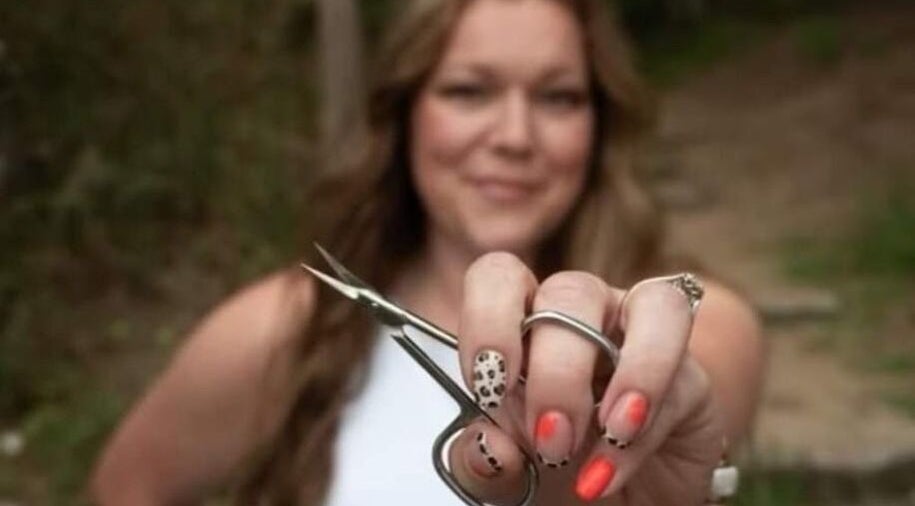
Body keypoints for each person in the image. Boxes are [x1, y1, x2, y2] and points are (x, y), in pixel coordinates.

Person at [91, 0, 765, 504]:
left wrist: (640, 415)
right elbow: (125, 488)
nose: (514, 136)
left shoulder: (686, 326)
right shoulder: (288, 328)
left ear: (598, 123)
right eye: (469, 91)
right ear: (405, 113)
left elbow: (698, 411)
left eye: (557, 97)